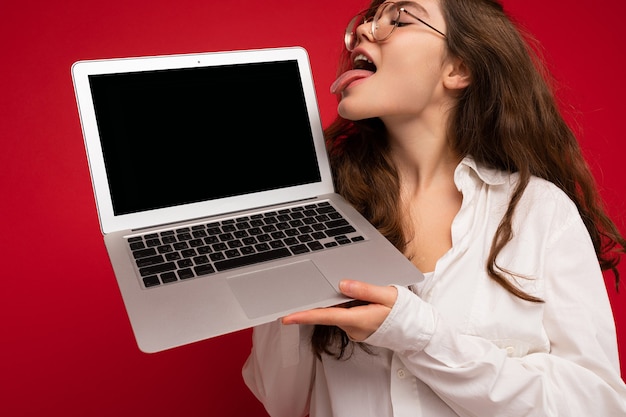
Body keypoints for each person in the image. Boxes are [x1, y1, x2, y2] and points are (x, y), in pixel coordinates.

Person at [242, 0, 626, 415]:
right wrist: (278, 262)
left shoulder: (540, 212)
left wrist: (419, 334)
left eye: (399, 19)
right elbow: (283, 401)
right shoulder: (318, 215)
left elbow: (598, 406)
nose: (365, 31)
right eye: (368, 20)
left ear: (458, 69)